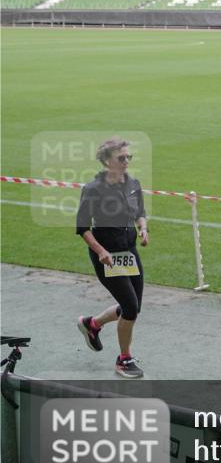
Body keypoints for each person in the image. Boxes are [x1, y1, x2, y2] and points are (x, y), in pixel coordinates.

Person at [75, 137, 148, 379]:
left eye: (129, 157)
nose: (126, 161)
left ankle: (92, 324)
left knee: (134, 306)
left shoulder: (133, 184)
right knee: (130, 307)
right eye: (121, 157)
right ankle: (124, 359)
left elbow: (140, 212)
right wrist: (100, 251)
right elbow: (82, 227)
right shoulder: (93, 189)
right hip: (106, 256)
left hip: (129, 252)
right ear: (107, 161)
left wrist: (143, 228)